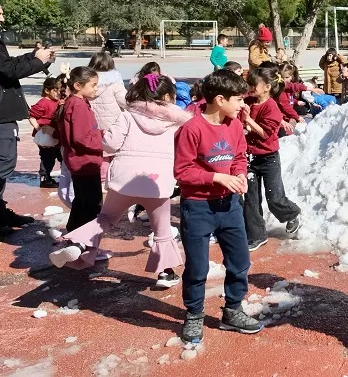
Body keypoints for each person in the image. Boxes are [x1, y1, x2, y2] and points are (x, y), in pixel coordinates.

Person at [48, 74, 189, 288]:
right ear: (169, 96)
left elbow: (110, 144)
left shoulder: (128, 116)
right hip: (157, 183)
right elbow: (184, 149)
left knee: (105, 218)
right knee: (161, 228)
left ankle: (78, 242)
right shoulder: (177, 121)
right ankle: (165, 273)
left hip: (124, 179)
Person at [174, 69, 262, 344]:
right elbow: (182, 171)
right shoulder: (191, 129)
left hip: (229, 206)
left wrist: (237, 174)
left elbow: (238, 156)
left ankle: (232, 311)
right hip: (198, 207)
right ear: (220, 99)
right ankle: (195, 314)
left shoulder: (234, 124)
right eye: (238, 99)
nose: (243, 105)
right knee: (198, 267)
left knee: (240, 261)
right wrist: (216, 177)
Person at [241, 67, 301, 252]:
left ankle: (292, 213)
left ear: (267, 87)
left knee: (274, 196)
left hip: (268, 158)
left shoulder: (272, 107)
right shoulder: (248, 101)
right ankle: (256, 235)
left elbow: (266, 135)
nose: (250, 87)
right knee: (251, 199)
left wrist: (248, 120)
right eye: (249, 83)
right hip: (250, 158)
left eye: (254, 84)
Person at [57, 67, 104, 232]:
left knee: (82, 201)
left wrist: (99, 134)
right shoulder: (78, 106)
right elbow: (81, 138)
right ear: (78, 85)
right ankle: (87, 244)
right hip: (85, 160)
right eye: (93, 85)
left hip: (79, 160)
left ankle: (74, 234)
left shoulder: (75, 102)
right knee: (92, 204)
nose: (96, 89)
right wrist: (103, 142)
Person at [29, 77, 63, 188]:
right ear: (47, 90)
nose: (59, 92)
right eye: (55, 89)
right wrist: (39, 128)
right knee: (47, 158)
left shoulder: (58, 101)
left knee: (62, 156)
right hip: (46, 138)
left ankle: (65, 176)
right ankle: (44, 178)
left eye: (60, 89)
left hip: (56, 135)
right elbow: (31, 116)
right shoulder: (44, 103)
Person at [88, 51, 127, 132]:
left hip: (92, 124)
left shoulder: (87, 82)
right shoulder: (114, 81)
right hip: (113, 124)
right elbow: (125, 102)